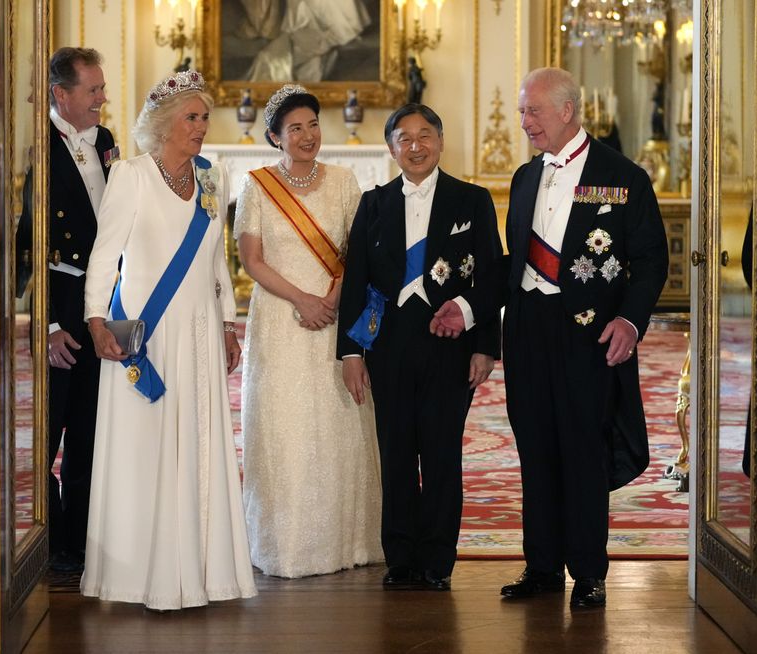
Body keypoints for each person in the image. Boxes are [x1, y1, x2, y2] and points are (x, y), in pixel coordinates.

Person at [432, 68, 669, 607]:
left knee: (583, 449)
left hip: (589, 334)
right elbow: (512, 262)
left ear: (566, 110)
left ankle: (588, 572)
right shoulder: (525, 177)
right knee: (534, 446)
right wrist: (467, 308)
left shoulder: (621, 176)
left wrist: (630, 321)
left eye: (532, 111)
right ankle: (541, 567)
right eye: (522, 111)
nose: (524, 122)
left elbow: (651, 259)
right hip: (527, 328)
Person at [81, 70, 257, 610]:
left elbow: (217, 261)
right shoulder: (131, 175)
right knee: (145, 446)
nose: (202, 127)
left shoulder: (210, 178)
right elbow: (105, 255)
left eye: (205, 118)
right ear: (162, 124)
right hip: (146, 334)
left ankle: (201, 569)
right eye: (192, 118)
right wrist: (95, 320)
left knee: (197, 442)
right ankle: (139, 574)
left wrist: (227, 324)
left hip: (199, 330)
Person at [336, 103, 503, 591]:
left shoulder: (471, 200)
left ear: (441, 141)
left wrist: (485, 346)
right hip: (388, 347)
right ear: (391, 149)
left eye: (425, 135)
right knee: (396, 452)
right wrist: (351, 353)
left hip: (449, 344)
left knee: (441, 452)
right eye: (404, 138)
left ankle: (437, 559)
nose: (416, 146)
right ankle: (401, 556)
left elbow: (491, 275)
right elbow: (356, 280)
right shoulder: (374, 203)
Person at [234, 83, 382, 578]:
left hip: (335, 315)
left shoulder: (343, 181)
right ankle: (284, 542)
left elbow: (358, 252)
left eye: (313, 125)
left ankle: (348, 540)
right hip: (280, 318)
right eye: (295, 128)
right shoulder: (257, 186)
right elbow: (251, 260)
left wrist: (333, 298)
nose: (307, 135)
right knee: (284, 423)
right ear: (275, 137)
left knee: (338, 420)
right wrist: (302, 299)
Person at [16, 47, 118, 573]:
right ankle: (51, 539)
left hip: (99, 302)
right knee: (50, 429)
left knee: (89, 427)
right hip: (61, 304)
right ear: (62, 94)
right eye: (93, 89)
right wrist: (50, 324)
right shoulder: (39, 148)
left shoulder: (104, 140)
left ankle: (80, 541)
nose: (102, 98)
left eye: (101, 88)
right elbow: (28, 247)